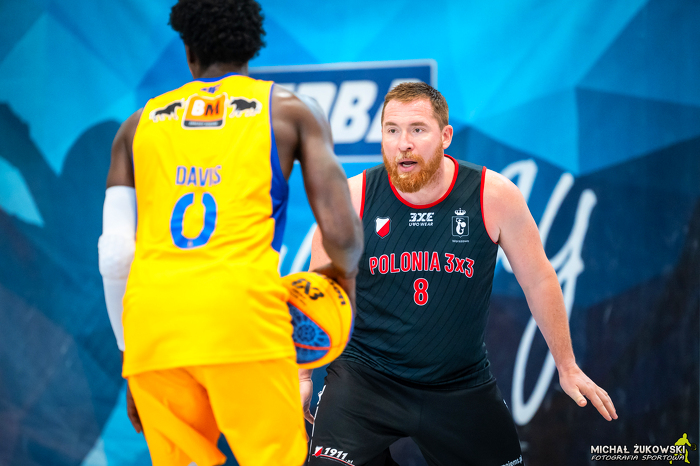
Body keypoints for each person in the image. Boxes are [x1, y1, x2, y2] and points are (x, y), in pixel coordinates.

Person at [97, 1, 363, 465]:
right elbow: (342, 236)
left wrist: (131, 356)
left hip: (154, 329)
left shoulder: (135, 127)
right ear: (251, 46)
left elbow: (116, 254)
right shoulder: (289, 111)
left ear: (188, 50)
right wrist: (345, 286)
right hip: (241, 318)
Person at [305, 82, 617, 466]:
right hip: (365, 380)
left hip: (459, 384)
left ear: (445, 136)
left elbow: (538, 279)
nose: (404, 143)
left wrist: (567, 367)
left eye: (418, 129)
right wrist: (303, 377)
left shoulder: (493, 195)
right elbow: (316, 293)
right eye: (392, 130)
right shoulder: (350, 198)